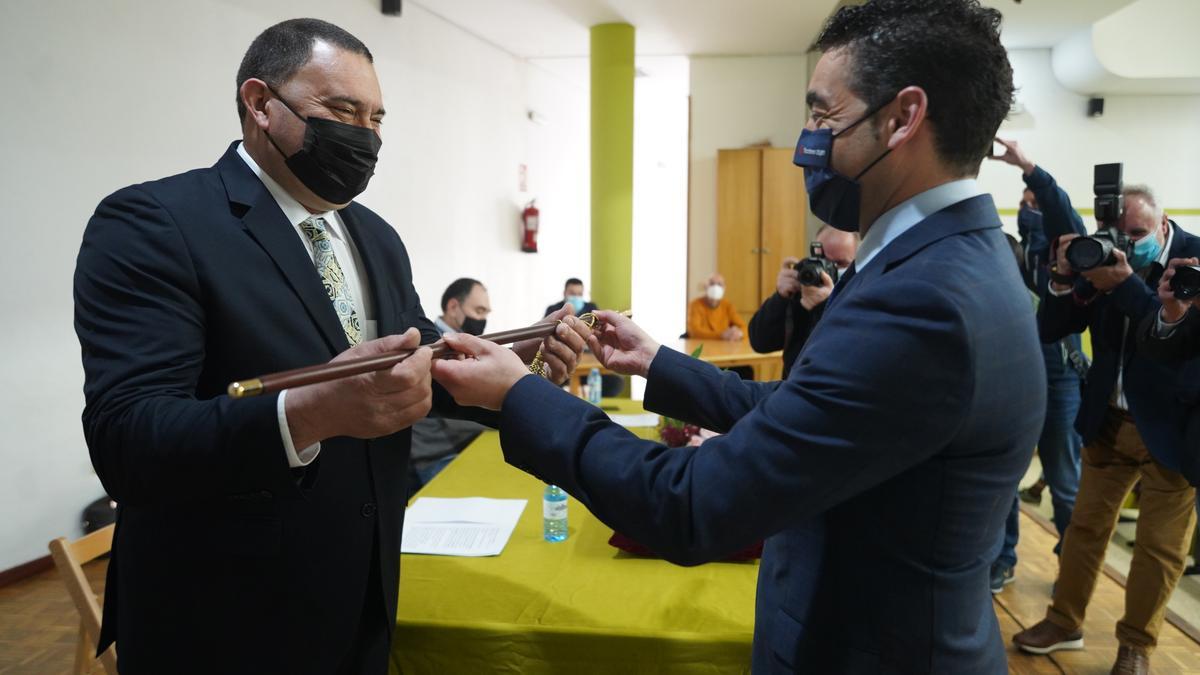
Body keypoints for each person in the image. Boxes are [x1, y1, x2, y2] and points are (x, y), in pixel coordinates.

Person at [430, 1, 1045, 672]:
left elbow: (691, 504)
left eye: (822, 114)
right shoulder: (953, 262)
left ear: (902, 117)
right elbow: (805, 415)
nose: (807, 138)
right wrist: (656, 361)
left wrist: (519, 395)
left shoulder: (923, 299)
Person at [72, 19, 584, 674]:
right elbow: (129, 440)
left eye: (375, 118)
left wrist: (510, 370)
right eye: (341, 111)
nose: (363, 136)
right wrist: (310, 411)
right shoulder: (157, 224)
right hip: (223, 618)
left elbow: (414, 362)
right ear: (260, 103)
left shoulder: (375, 237)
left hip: (364, 593)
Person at [1012, 178, 1200, 673]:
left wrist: (1127, 287)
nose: (1128, 240)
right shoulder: (1103, 256)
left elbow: (1180, 343)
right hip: (1109, 421)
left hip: (1173, 430)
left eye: (1138, 231)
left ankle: (1135, 645)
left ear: (1162, 225)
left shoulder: (1194, 264)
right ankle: (1063, 621)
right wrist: (1060, 277)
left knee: (1159, 550)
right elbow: (1052, 330)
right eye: (1118, 230)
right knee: (1083, 529)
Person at [987, 143, 1090, 594]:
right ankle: (1001, 559)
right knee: (1006, 473)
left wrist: (1030, 171)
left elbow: (1061, 212)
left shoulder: (1071, 250)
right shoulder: (1010, 253)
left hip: (1060, 372)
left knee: (1064, 478)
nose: (1030, 209)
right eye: (1024, 204)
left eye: (1037, 204)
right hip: (1011, 371)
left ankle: (1074, 562)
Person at [407, 278, 492, 497]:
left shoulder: (465, 344)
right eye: (479, 310)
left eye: (486, 313)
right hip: (435, 454)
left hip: (463, 444)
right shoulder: (431, 344)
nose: (482, 320)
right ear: (453, 306)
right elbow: (454, 407)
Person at [747, 226, 857, 377]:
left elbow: (844, 359)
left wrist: (824, 306)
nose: (827, 270)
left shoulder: (862, 293)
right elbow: (760, 342)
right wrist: (780, 297)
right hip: (792, 389)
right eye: (822, 260)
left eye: (840, 263)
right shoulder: (804, 283)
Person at [687, 274, 747, 341]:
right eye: (712, 283)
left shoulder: (727, 305)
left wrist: (739, 333)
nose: (715, 287)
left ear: (724, 288)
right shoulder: (695, 305)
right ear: (705, 286)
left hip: (724, 347)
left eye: (719, 284)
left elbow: (744, 327)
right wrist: (721, 335)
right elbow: (694, 331)